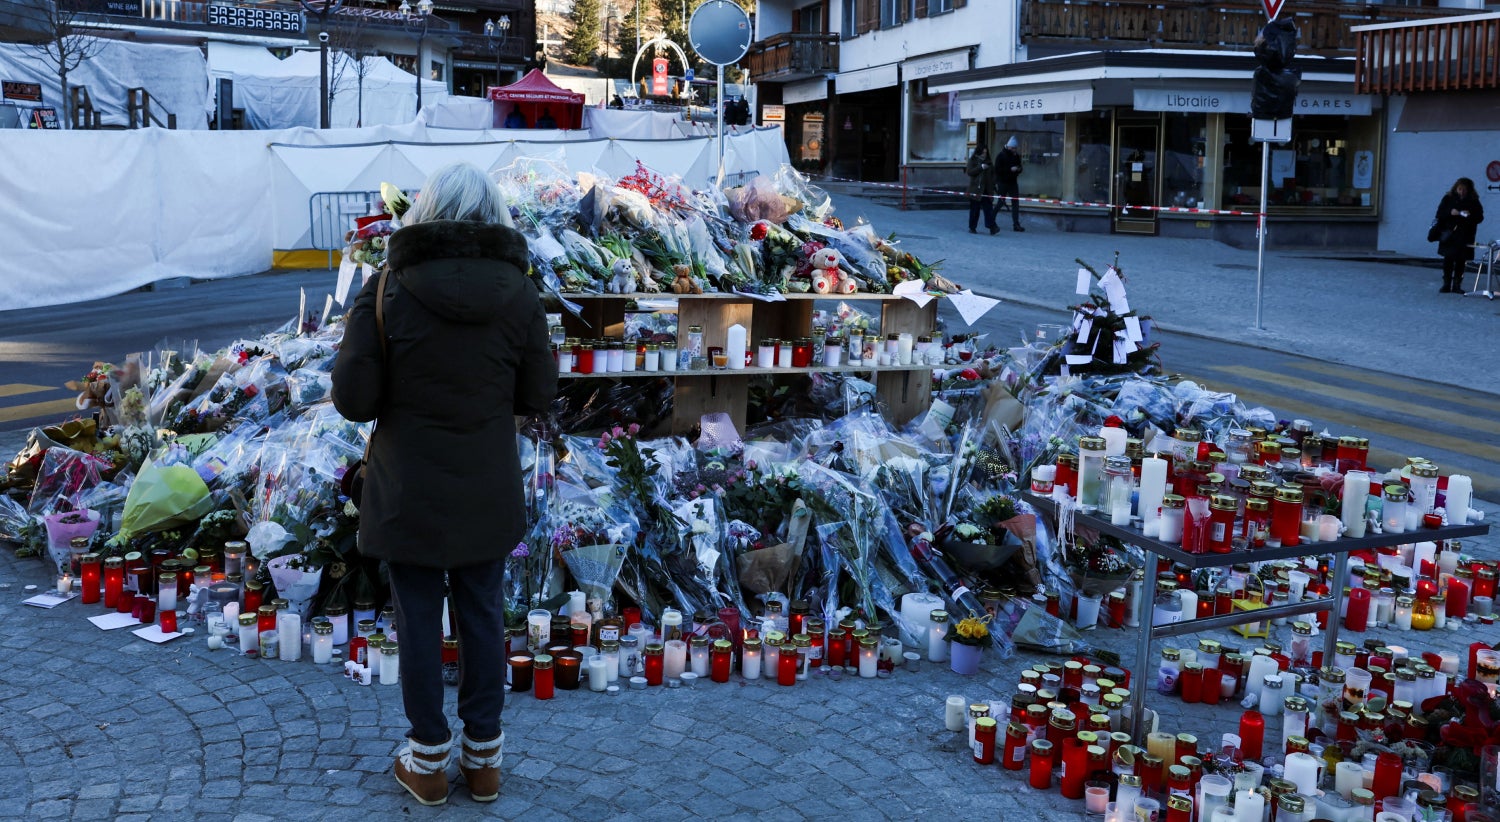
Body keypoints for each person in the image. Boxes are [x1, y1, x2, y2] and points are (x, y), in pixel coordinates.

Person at [331, 162, 557, 806]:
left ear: (425, 210)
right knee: (483, 613)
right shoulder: (520, 293)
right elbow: (539, 394)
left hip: (408, 485)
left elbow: (353, 400)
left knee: (418, 618)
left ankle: (427, 759)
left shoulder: (386, 288)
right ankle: (484, 760)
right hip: (486, 481)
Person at [1432, 176, 1484, 293]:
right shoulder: (1448, 198)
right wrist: (1450, 212)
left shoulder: (1473, 201)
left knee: (1461, 259)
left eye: (1464, 189)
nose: (1462, 192)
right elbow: (1439, 214)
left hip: (1465, 234)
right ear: (1456, 188)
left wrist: (1469, 215)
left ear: (1469, 190)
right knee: (1448, 259)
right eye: (1460, 189)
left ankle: (1457, 285)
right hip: (1450, 233)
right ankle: (1446, 284)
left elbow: (1480, 217)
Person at [965, 144, 999, 235]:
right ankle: (972, 227)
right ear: (979, 152)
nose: (984, 154)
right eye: (983, 152)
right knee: (975, 210)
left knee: (988, 209)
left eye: (985, 153)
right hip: (976, 190)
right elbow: (970, 172)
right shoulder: (973, 160)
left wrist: (993, 182)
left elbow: (994, 174)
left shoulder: (989, 162)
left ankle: (992, 227)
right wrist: (981, 167)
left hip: (986, 190)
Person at [995, 135, 1025, 232]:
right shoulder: (1001, 155)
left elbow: (1020, 166)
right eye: (1013, 148)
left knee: (1015, 203)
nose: (1015, 150)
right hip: (1003, 182)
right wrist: (1010, 169)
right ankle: (991, 219)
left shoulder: (1016, 156)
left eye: (1015, 148)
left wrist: (1019, 169)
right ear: (1009, 147)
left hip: (1013, 182)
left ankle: (1016, 224)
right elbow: (997, 170)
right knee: (1000, 202)